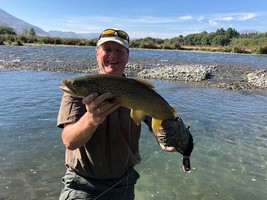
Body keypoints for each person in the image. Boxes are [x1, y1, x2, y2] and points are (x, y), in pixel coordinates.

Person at [57, 28, 193, 200]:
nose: (113, 56)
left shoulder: (138, 91)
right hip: (82, 185)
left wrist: (174, 141)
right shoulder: (75, 92)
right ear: (97, 54)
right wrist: (91, 119)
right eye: (107, 50)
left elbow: (160, 127)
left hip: (125, 184)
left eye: (119, 51)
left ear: (127, 56)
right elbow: (69, 141)